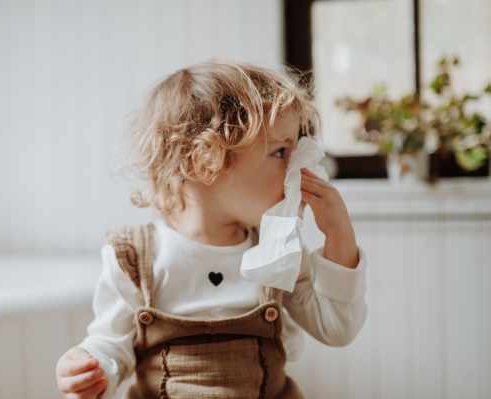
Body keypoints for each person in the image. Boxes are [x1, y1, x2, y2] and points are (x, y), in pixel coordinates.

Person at [56, 59, 367, 399]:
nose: (298, 169)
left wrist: (339, 235)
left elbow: (337, 330)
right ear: (206, 162)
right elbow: (111, 344)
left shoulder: (278, 251)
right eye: (281, 152)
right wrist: (91, 368)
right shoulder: (136, 257)